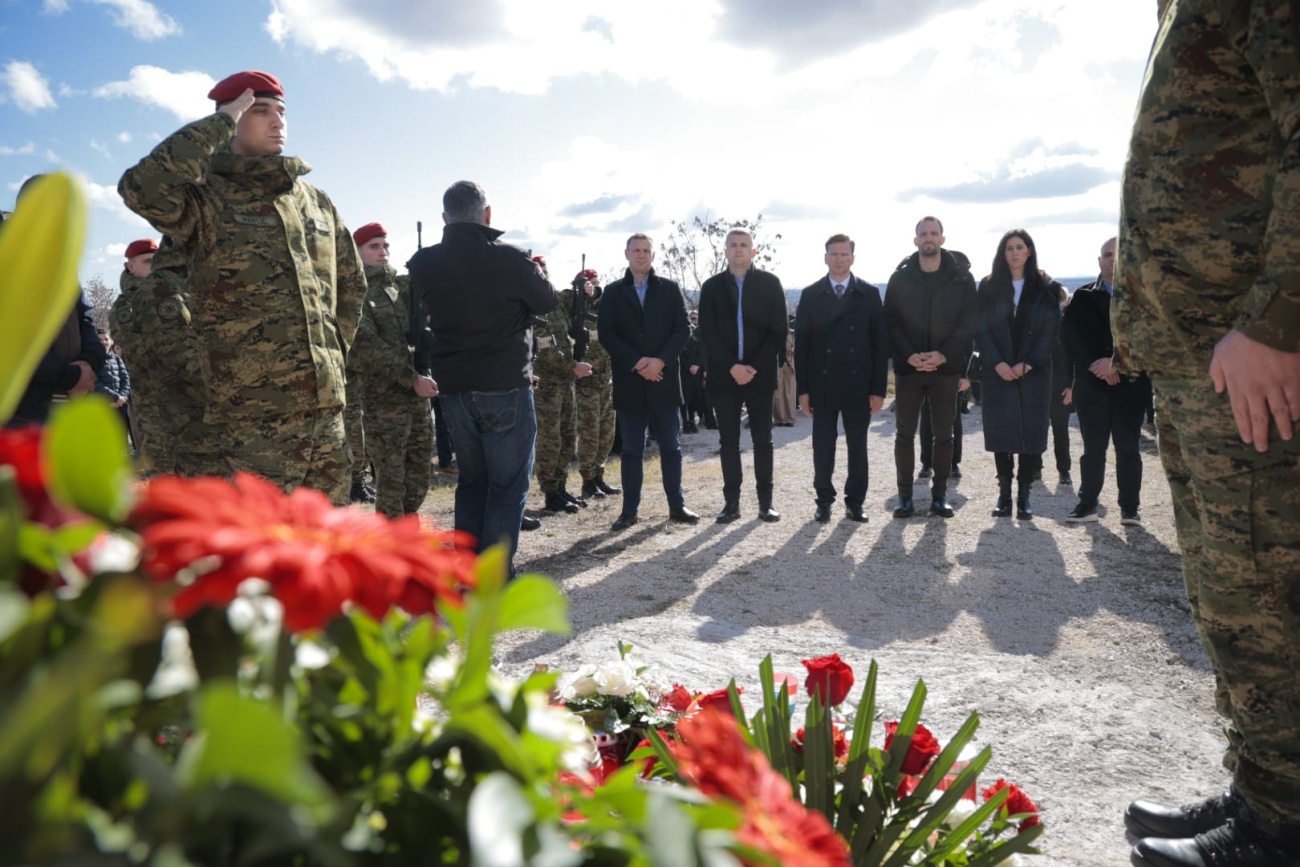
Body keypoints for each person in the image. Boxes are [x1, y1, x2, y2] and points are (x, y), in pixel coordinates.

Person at [1115, 4, 1300, 865]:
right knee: (1231, 599)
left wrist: (1277, 318)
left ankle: (1282, 828)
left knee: (1264, 593)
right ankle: (1261, 787)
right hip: (1197, 354)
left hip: (1252, 350)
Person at [118, 70, 366, 503]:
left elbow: (350, 286)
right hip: (253, 417)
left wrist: (332, 358)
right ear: (232, 121)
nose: (277, 123)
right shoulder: (208, 198)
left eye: (282, 113)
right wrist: (222, 122)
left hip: (326, 412)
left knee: (325, 546)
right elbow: (143, 187)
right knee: (262, 548)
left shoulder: (316, 202)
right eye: (261, 111)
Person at [407, 181, 557, 577]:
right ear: (487, 215)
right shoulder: (510, 260)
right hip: (505, 385)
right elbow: (547, 301)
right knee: (507, 488)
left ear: (444, 218)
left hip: (454, 389)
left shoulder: (423, 263)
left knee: (472, 483)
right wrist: (538, 272)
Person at [597, 233, 698, 530]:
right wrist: (638, 363)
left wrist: (660, 361)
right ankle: (629, 510)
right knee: (631, 450)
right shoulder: (613, 292)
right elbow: (607, 334)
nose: (641, 255)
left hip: (664, 379)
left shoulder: (669, 289)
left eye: (646, 250)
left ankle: (677, 505)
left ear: (653, 255)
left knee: (671, 446)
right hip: (630, 381)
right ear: (626, 254)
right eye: (636, 250)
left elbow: (682, 329)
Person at [884, 217, 978, 519]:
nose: (928, 238)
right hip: (909, 369)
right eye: (923, 234)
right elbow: (891, 323)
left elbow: (968, 323)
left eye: (934, 233)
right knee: (904, 434)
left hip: (945, 368)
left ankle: (939, 497)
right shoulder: (899, 279)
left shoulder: (961, 279)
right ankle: (905, 497)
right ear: (915, 241)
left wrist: (944, 354)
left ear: (942, 239)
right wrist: (910, 355)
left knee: (944, 435)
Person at [794, 234, 888, 523]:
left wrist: (878, 389)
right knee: (823, 447)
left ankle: (855, 502)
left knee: (857, 446)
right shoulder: (810, 295)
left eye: (844, 254)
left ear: (852, 258)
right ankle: (823, 500)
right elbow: (802, 347)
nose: (838, 259)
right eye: (833, 254)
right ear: (825, 257)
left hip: (858, 384)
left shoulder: (869, 294)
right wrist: (803, 390)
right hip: (822, 383)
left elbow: (880, 345)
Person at [697, 228, 788, 523]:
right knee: (729, 443)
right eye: (733, 245)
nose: (738, 249)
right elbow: (706, 332)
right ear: (725, 251)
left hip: (759, 377)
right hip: (725, 377)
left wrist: (753, 367)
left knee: (764, 441)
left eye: (744, 245)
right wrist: (732, 367)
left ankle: (766, 503)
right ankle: (731, 504)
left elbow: (777, 331)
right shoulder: (711, 288)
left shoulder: (770, 284)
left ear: (753, 251)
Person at [348, 222, 436, 520]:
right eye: (373, 246)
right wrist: (412, 379)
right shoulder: (354, 292)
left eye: (385, 246)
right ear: (357, 253)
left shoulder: (402, 288)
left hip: (417, 396)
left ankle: (406, 527)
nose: (382, 252)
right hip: (383, 402)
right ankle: (392, 542)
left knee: (420, 470)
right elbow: (369, 347)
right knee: (391, 476)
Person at [975, 229, 1065, 520]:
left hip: (1033, 373)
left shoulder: (1044, 288)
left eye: (1019, 247)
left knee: (1030, 432)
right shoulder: (988, 288)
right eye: (1008, 248)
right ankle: (1004, 496)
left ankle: (1024, 496)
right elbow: (981, 329)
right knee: (1001, 432)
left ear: (1029, 251)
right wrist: (998, 363)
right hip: (997, 372)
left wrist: (1027, 363)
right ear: (1003, 253)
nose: (1014, 252)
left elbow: (1050, 332)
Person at [1062, 237, 1150, 526]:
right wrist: (1096, 365)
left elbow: (1149, 340)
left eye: (1119, 253)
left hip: (1132, 385)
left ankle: (1130, 509)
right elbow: (1071, 340)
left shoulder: (1143, 297)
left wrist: (1117, 363)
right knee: (1093, 449)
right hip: (1091, 385)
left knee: (1128, 448)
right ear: (1099, 261)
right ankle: (1087, 505)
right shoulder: (1082, 298)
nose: (1113, 259)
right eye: (1107, 254)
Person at [6, 175, 107, 428]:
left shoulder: (62, 262)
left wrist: (88, 363)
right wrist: (68, 375)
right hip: (20, 411)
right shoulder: (7, 254)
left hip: (70, 403)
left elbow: (85, 319)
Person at [533, 274, 589, 515]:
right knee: (550, 439)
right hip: (547, 386)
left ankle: (561, 485)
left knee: (568, 436)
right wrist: (572, 367)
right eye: (536, 270)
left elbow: (580, 299)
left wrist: (584, 289)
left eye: (544, 270)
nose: (541, 274)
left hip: (566, 384)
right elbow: (544, 351)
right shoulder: (529, 304)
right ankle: (550, 492)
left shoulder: (555, 302)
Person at [568, 270, 620, 501]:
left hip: (606, 379)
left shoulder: (604, 308)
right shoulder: (574, 310)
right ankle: (588, 480)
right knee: (590, 433)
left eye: (597, 284)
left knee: (606, 433)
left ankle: (599, 475)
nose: (594, 288)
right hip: (586, 382)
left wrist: (596, 293)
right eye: (590, 284)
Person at [92, 330, 132, 435]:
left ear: (111, 341)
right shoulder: (92, 360)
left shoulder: (117, 359)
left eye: (106, 339)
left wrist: (122, 397)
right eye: (100, 340)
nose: (104, 342)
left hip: (120, 405)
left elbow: (125, 379)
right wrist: (114, 398)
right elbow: (95, 383)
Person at [773, 319, 797, 427]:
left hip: (789, 363)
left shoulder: (793, 331)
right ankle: (780, 419)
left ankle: (789, 418)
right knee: (778, 392)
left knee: (790, 392)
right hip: (778, 362)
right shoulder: (775, 329)